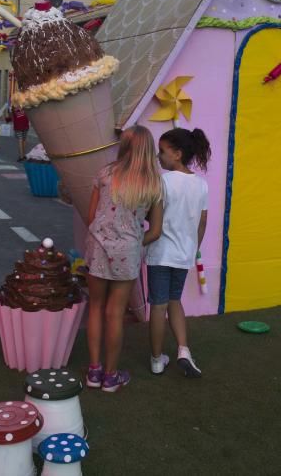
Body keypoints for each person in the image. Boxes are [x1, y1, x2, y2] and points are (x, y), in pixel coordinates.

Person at [84, 126, 164, 393]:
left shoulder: (105, 174)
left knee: (95, 307)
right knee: (115, 313)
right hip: (128, 252)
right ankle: (110, 376)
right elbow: (155, 230)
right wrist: (131, 243)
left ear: (124, 147)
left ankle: (93, 372)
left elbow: (91, 215)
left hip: (97, 246)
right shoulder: (154, 184)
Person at [147, 128, 211, 378]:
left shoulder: (162, 181)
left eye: (162, 151)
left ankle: (156, 359)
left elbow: (154, 218)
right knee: (175, 300)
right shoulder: (201, 185)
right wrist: (193, 249)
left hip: (161, 252)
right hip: (184, 255)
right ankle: (183, 350)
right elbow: (202, 223)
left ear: (177, 153)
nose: (158, 156)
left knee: (157, 305)